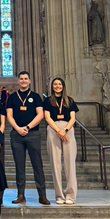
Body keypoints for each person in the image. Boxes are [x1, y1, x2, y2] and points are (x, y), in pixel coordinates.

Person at [6, 71, 50, 205]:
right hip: (16, 135)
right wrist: (18, 128)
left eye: (26, 79)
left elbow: (40, 115)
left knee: (37, 165)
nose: (24, 81)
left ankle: (42, 195)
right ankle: (20, 194)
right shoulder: (12, 97)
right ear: (18, 81)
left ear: (29, 81)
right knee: (19, 166)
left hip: (33, 134)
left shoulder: (36, 97)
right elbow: (9, 115)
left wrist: (28, 127)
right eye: (21, 79)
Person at [44, 77, 79, 205]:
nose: (57, 86)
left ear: (63, 86)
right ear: (52, 86)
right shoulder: (48, 100)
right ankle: (59, 195)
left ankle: (70, 195)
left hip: (67, 129)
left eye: (59, 84)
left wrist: (65, 130)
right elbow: (47, 117)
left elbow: (73, 118)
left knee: (70, 164)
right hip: (53, 129)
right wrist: (58, 130)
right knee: (55, 164)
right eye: (55, 84)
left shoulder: (69, 100)